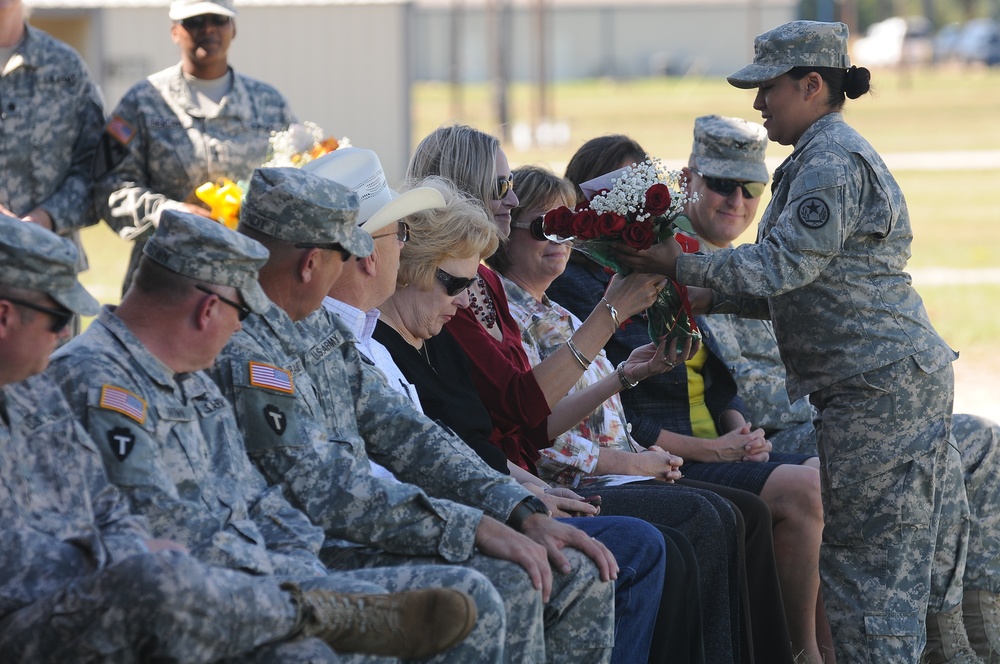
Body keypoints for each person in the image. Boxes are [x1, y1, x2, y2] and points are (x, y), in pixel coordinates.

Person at [611, 20, 970, 664]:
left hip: (876, 390)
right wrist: (712, 295)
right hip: (872, 384)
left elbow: (781, 268)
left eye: (767, 89)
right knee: (875, 568)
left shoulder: (830, 162)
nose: (757, 104)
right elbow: (800, 283)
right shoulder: (818, 157)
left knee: (868, 575)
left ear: (811, 86)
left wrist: (676, 263)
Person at [0, 213, 481, 662]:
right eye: (56, 319)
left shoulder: (31, 396)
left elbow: (119, 505)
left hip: (165, 585)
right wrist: (121, 557)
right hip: (57, 609)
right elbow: (32, 560)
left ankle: (314, 606)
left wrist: (294, 564)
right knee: (162, 581)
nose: (64, 334)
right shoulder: (85, 380)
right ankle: (313, 612)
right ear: (5, 317)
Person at [406, 124, 796, 664]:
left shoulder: (487, 285)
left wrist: (622, 373)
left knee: (729, 515)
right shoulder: (446, 290)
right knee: (692, 527)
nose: (513, 197)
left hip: (531, 475)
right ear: (465, 189)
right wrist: (612, 315)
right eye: (502, 188)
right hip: (536, 482)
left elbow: (530, 423)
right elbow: (519, 415)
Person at [207, 165, 621, 663]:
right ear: (312, 263)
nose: (390, 255)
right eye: (355, 250)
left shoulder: (313, 332)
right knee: (501, 587)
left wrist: (516, 509)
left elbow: (410, 435)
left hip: (341, 538)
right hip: (297, 556)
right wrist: (474, 526)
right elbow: (323, 486)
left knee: (567, 566)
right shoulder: (244, 348)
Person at [679, 116, 1000, 664]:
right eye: (720, 185)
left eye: (750, 188)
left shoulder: (772, 253)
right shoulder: (681, 260)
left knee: (979, 444)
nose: (736, 200)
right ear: (689, 180)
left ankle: (973, 630)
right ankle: (920, 643)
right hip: (784, 432)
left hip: (828, 410)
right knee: (926, 464)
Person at [550, 123, 828, 663]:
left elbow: (717, 374)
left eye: (642, 190)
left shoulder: (661, 265)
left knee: (828, 477)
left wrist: (737, 429)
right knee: (805, 491)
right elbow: (621, 407)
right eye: (619, 192)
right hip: (664, 455)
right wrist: (711, 451)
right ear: (590, 203)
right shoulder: (581, 285)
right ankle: (803, 654)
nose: (637, 206)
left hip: (714, 444)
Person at [92, 0, 295, 293]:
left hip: (250, 281)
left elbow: (294, 175)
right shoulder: (144, 101)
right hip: (165, 277)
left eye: (218, 19)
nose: (208, 28)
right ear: (175, 31)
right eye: (195, 21)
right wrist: (169, 214)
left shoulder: (268, 103)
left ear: (233, 29)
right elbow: (109, 186)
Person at [0, 0, 104, 331]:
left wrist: (44, 218)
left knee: (51, 381)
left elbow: (96, 165)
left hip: (48, 273)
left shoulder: (64, 66)